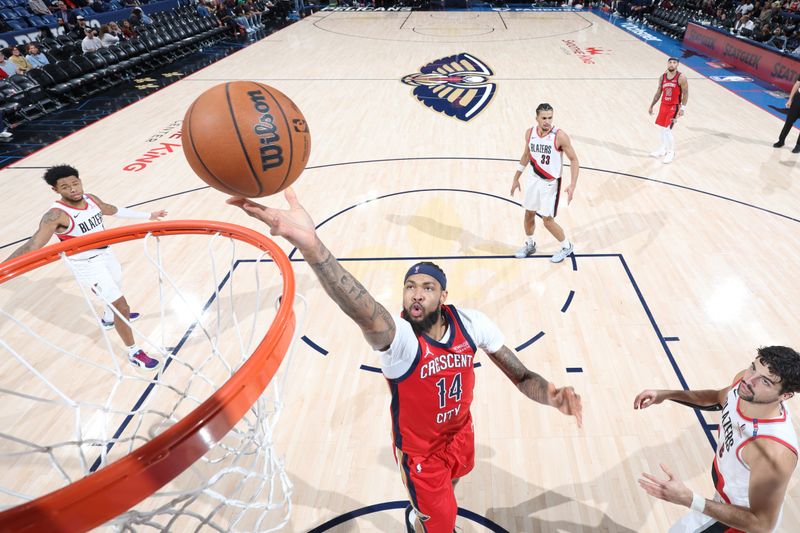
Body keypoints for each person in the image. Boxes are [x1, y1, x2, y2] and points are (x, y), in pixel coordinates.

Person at [227, 189, 583, 533]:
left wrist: (551, 397)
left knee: (455, 482)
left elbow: (521, 377)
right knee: (440, 524)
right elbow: (360, 306)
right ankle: (421, 520)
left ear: (444, 295)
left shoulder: (473, 324)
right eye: (410, 286)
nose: (416, 293)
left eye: (427, 287)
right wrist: (311, 245)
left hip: (460, 433)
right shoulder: (399, 340)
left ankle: (426, 514)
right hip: (421, 456)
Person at [4, 165, 168, 370]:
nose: (72, 189)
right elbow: (33, 244)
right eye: (65, 187)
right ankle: (134, 352)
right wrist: (4, 267)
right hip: (86, 264)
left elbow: (112, 210)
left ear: (80, 181)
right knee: (122, 307)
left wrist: (148, 215)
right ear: (56, 191)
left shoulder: (91, 199)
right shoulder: (55, 215)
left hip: (106, 254)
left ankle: (109, 319)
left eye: (75, 183)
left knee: (116, 291)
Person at [634, 346, 799, 533]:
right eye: (753, 367)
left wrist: (689, 499)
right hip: (724, 501)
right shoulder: (743, 386)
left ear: (785, 395)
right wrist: (667, 395)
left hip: (742, 521)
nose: (749, 379)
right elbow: (717, 398)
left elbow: (761, 524)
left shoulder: (773, 452)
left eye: (766, 381)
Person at [510, 103, 580, 264]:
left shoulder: (559, 136)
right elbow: (526, 155)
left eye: (550, 118)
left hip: (550, 184)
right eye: (544, 118)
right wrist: (516, 178)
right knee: (529, 213)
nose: (547, 121)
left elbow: (574, 160)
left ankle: (566, 246)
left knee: (547, 221)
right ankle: (530, 244)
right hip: (534, 179)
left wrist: (573, 184)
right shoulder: (530, 133)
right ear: (537, 118)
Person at [648, 57, 689, 164]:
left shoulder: (681, 77)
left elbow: (686, 93)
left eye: (674, 63)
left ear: (677, 65)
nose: (672, 64)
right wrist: (652, 105)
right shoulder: (662, 77)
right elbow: (658, 92)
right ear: (667, 64)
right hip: (663, 105)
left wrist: (683, 108)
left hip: (674, 106)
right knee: (662, 129)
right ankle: (663, 149)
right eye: (670, 62)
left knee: (667, 129)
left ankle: (671, 152)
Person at [773, 74, 800, 153]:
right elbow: (797, 84)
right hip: (798, 99)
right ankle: (781, 140)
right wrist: (790, 99)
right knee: (789, 121)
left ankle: (798, 146)